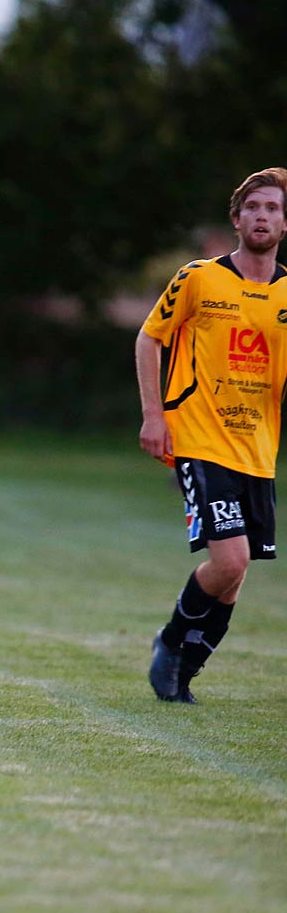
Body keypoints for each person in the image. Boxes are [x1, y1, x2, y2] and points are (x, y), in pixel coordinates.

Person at [137, 167, 287, 704]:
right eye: (253, 207)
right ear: (237, 218)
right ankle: (172, 647)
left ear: (285, 223)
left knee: (235, 575)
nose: (262, 216)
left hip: (258, 450)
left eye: (272, 208)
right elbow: (149, 338)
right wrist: (154, 415)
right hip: (198, 439)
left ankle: (184, 665)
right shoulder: (199, 276)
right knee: (231, 560)